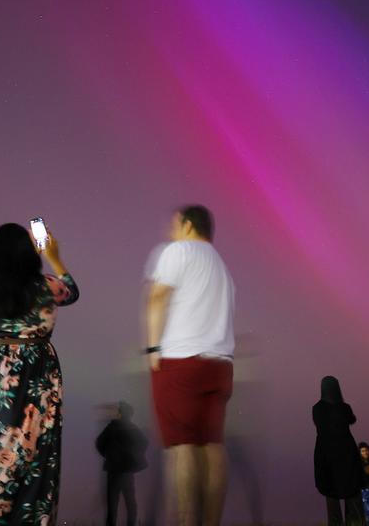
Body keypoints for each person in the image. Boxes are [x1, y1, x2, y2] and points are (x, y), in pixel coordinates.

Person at [0, 223, 78, 525]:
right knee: (35, 451)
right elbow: (71, 292)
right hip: (37, 371)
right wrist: (55, 257)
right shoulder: (46, 287)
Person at [144, 205, 235, 526]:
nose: (171, 230)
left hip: (181, 360)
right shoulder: (221, 266)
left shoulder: (178, 251)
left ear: (187, 224)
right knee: (212, 445)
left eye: (174, 223)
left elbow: (157, 297)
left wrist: (153, 347)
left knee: (181, 445)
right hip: (220, 364)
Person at [313, 376, 365, 526]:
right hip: (346, 453)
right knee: (352, 491)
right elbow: (352, 419)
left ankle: (335, 523)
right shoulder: (344, 407)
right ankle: (354, 522)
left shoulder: (317, 408)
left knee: (331, 493)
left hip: (325, 453)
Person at [95, 401, 150, 526]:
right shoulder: (132, 428)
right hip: (127, 470)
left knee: (112, 504)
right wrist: (134, 455)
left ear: (120, 413)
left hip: (113, 470)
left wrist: (108, 455)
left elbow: (99, 443)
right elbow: (144, 443)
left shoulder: (111, 428)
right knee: (130, 502)